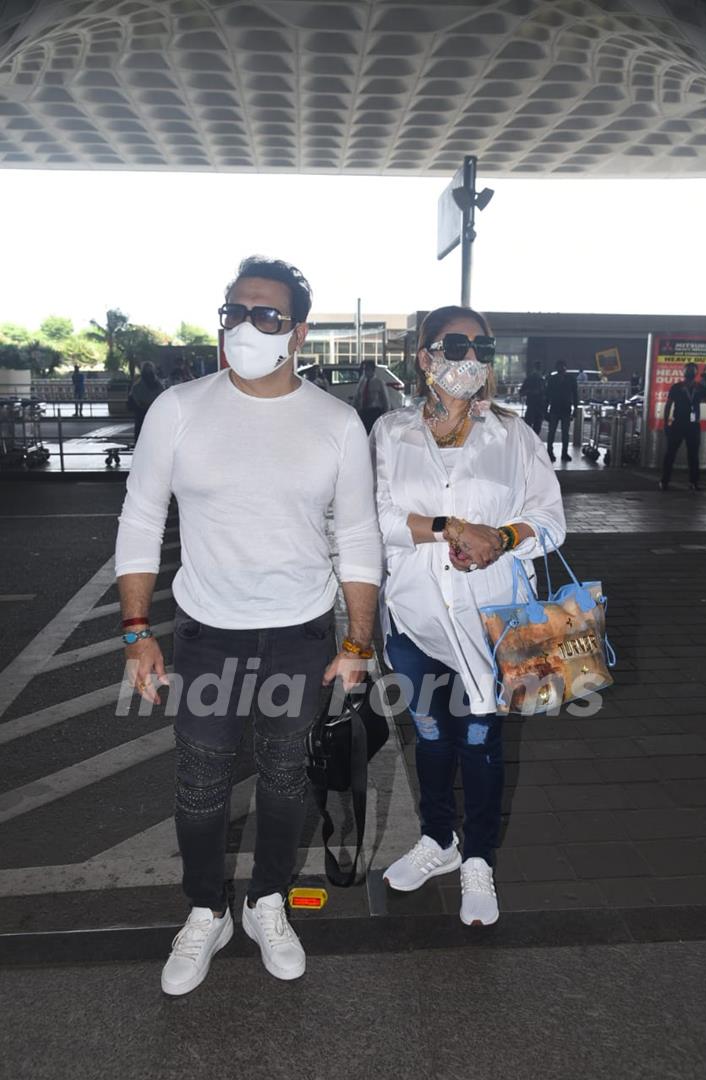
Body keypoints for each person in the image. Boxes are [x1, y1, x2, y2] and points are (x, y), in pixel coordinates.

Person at [115, 255, 381, 995]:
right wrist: (137, 630)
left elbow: (359, 537)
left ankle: (268, 901)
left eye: (266, 315)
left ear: (297, 331)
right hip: (207, 634)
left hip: (300, 634)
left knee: (287, 779)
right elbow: (141, 518)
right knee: (199, 787)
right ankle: (207, 909)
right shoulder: (179, 408)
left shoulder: (335, 422)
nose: (244, 326)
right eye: (235, 310)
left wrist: (358, 641)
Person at [370, 305, 566, 927]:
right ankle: (439, 840)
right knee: (430, 735)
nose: (471, 358)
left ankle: (477, 857)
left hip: (491, 621)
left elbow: (551, 522)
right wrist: (449, 528)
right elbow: (370, 520)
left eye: (483, 346)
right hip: (414, 617)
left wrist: (502, 538)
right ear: (424, 355)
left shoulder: (514, 436)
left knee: (481, 739)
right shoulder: (388, 433)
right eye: (455, 344)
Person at [660, 363, 706, 492]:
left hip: (693, 425)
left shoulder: (700, 387)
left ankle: (694, 482)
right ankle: (664, 481)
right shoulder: (677, 387)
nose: (689, 372)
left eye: (692, 370)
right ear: (684, 372)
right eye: (688, 370)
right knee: (670, 454)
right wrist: (666, 422)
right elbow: (668, 405)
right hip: (678, 423)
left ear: (695, 373)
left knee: (693, 455)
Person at [545, 360, 578, 462]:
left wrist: (575, 408)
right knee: (553, 432)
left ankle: (563, 452)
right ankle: (550, 452)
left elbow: (575, 395)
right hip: (557, 408)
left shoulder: (569, 379)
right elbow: (547, 395)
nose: (561, 369)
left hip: (563, 408)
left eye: (562, 367)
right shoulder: (554, 379)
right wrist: (545, 409)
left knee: (563, 433)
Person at [128, 362, 164, 442]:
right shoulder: (158, 385)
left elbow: (135, 399)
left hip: (143, 414)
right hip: (151, 413)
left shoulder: (137, 386)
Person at [355, 358, 391, 433]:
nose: (365, 371)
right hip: (364, 412)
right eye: (364, 369)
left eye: (367, 369)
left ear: (372, 370)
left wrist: (385, 416)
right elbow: (357, 397)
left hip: (374, 412)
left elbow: (385, 401)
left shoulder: (379, 383)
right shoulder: (362, 382)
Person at [519, 362, 545, 435]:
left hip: (538, 405)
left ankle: (532, 440)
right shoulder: (533, 379)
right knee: (531, 425)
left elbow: (522, 391)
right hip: (533, 404)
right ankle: (531, 440)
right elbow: (522, 391)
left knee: (536, 425)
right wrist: (531, 391)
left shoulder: (541, 379)